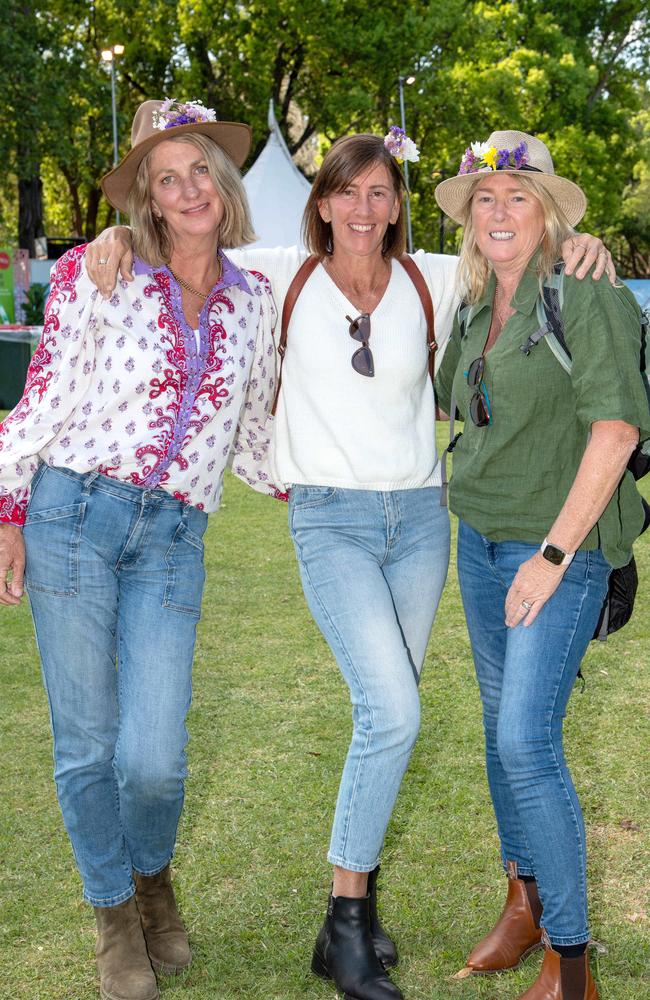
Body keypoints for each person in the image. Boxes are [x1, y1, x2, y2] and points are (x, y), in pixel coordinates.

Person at [86, 128, 613, 1000]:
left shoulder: (432, 278)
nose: (364, 210)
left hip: (417, 523)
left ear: (398, 205)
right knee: (394, 712)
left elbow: (516, 246)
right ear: (321, 201)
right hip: (328, 521)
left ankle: (367, 924)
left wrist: (581, 240)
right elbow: (183, 234)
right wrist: (114, 237)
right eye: (348, 192)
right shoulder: (278, 271)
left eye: (381, 193)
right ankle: (346, 920)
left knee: (391, 719)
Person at [0, 98, 278, 1000]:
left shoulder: (255, 302)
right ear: (149, 200)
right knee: (87, 745)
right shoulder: (96, 269)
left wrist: (343, 485)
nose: (189, 188)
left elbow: (259, 435)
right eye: (168, 178)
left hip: (174, 539)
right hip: (72, 515)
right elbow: (38, 402)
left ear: (223, 184)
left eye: (201, 169)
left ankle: (153, 876)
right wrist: (8, 512)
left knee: (153, 755)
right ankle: (117, 919)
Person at [434, 130, 650, 1000]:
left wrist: (554, 558)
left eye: (519, 197)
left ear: (552, 214)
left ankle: (571, 959)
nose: (497, 211)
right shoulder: (478, 300)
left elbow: (617, 432)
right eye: (485, 198)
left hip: (552, 546)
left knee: (526, 739)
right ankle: (521, 902)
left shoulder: (585, 293)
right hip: (479, 538)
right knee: (498, 731)